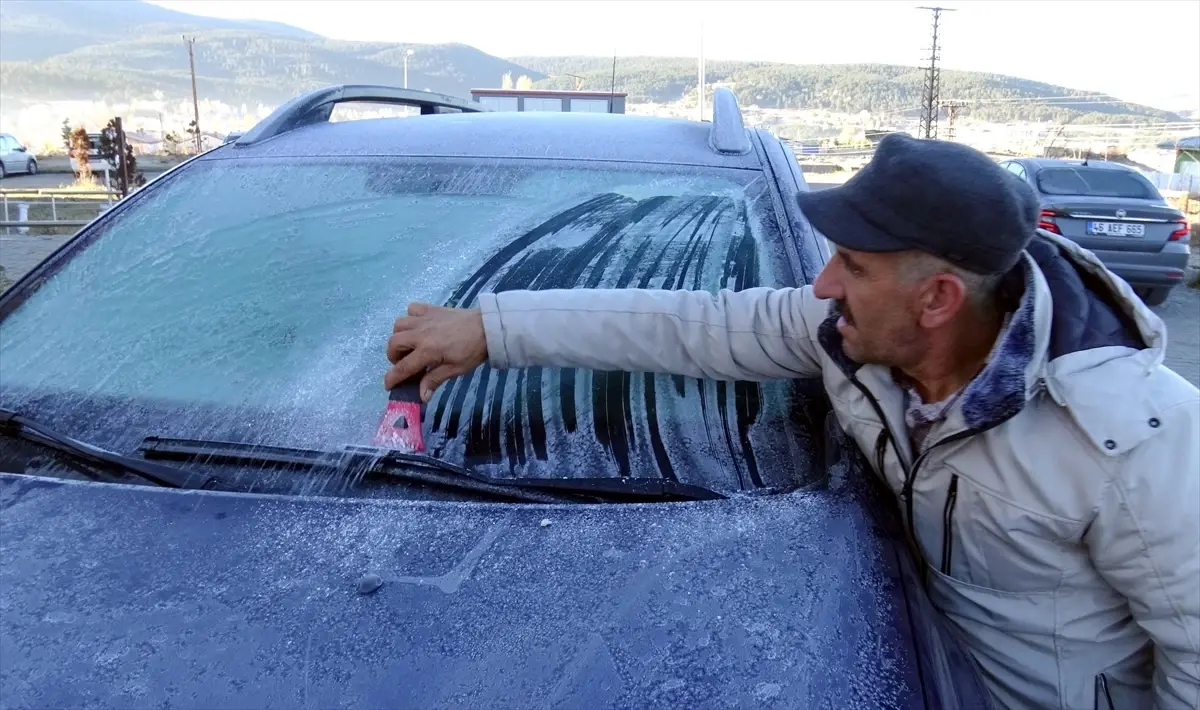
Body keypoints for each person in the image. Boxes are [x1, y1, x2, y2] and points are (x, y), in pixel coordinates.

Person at [383, 133, 1200, 710]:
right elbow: (694, 327)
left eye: (853, 265)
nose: (821, 284)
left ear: (938, 299)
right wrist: (492, 327)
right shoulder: (853, 337)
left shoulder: (1134, 436)